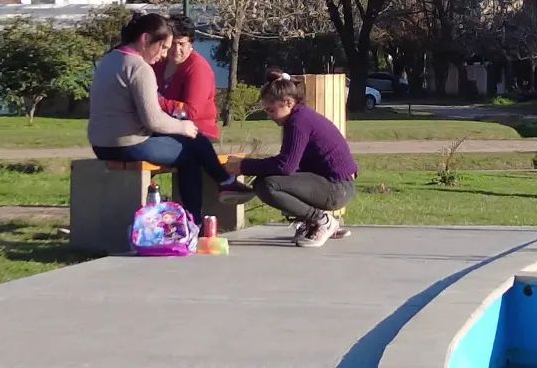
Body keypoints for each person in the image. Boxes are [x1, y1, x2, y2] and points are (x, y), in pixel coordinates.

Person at [87, 12, 250, 224]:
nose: (165, 54)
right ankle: (194, 221)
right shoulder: (140, 67)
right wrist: (183, 128)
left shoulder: (110, 59)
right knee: (190, 152)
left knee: (191, 146)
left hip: (100, 144)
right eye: (163, 47)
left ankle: (219, 190)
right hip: (129, 144)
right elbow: (153, 120)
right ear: (145, 39)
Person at [225, 69, 358, 248]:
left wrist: (243, 166)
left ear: (288, 102)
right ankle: (313, 223)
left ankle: (322, 221)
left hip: (338, 188)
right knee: (268, 181)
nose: (269, 116)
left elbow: (286, 166)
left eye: (271, 110)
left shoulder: (298, 122)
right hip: (336, 184)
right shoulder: (300, 116)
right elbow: (290, 165)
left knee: (267, 186)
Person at [153, 15, 219, 141]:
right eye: (172, 44)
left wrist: (156, 101)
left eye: (181, 44)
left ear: (190, 43)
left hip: (196, 133)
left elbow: (191, 112)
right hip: (165, 128)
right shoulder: (158, 63)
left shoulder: (198, 68)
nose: (176, 50)